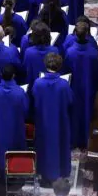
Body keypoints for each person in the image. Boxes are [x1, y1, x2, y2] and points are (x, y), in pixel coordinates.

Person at [29, 51, 74, 181]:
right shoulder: (64, 84)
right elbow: (70, 101)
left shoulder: (38, 83)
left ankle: (43, 172)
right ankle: (60, 172)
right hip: (60, 121)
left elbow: (34, 100)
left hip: (43, 121)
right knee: (59, 146)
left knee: (44, 146)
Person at [0, 65, 28, 156]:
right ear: (13, 76)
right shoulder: (20, 92)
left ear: (1, 74)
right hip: (14, 129)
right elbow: (25, 110)